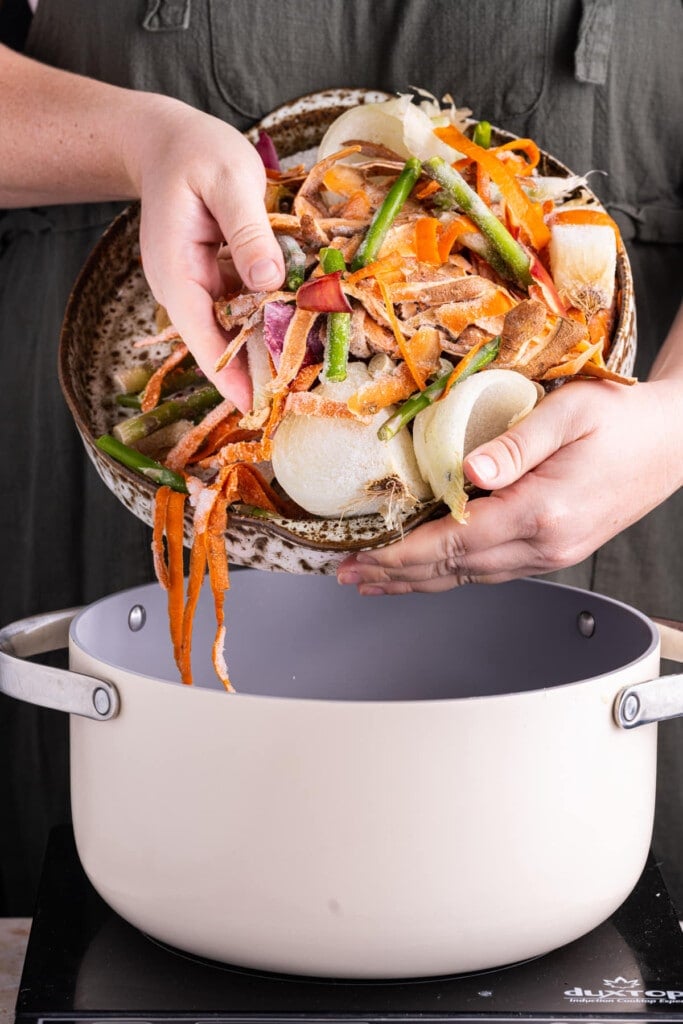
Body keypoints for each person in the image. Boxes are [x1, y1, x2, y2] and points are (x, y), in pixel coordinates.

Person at [0, 0, 681, 916]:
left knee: (553, 897)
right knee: (125, 906)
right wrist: (136, 138)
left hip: (613, 498)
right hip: (129, 493)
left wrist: (674, 418)